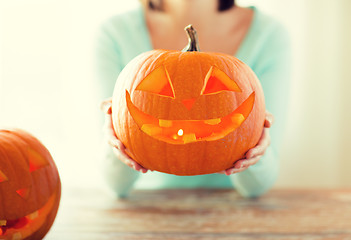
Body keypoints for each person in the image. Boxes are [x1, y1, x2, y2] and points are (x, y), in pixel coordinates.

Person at [95, 0, 290, 198]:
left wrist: (256, 151)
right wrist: (117, 144)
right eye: (162, 90)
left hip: (231, 209)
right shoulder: (114, 33)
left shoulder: (269, 35)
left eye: (216, 89)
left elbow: (257, 187)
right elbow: (115, 184)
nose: (188, 103)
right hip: (146, 206)